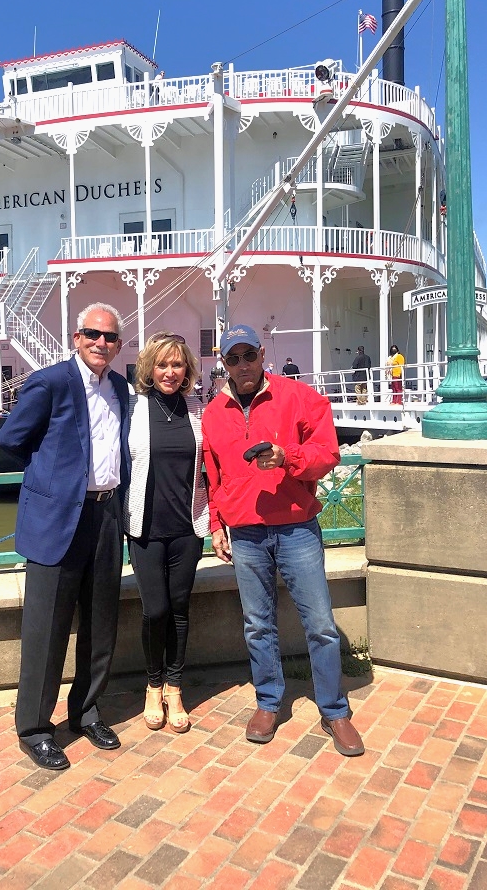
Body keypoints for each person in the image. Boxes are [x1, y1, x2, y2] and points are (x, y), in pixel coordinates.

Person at [201, 323, 364, 757]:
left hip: (295, 528)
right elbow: (213, 475)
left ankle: (334, 710)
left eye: (248, 355)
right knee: (257, 625)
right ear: (224, 364)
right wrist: (217, 524)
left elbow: (329, 452)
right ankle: (269, 702)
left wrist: (286, 457)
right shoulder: (214, 411)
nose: (241, 365)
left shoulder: (298, 397)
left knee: (322, 626)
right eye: (232, 359)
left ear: (261, 354)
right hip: (246, 533)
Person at [0, 303, 131, 771]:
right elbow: (12, 438)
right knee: (46, 631)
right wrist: (53, 478)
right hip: (58, 522)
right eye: (92, 334)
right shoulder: (51, 382)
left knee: (101, 624)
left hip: (106, 516)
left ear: (118, 344)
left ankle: (86, 711)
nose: (101, 342)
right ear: (76, 337)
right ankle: (34, 728)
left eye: (110, 337)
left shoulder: (120, 388)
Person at [124, 333, 209, 733]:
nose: (170, 372)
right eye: (162, 365)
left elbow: (211, 468)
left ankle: (174, 687)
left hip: (187, 527)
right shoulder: (134, 407)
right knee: (154, 609)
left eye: (177, 365)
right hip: (144, 528)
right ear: (149, 369)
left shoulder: (197, 408)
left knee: (179, 609)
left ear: (187, 369)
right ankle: (152, 683)